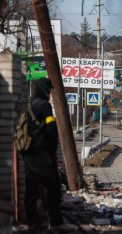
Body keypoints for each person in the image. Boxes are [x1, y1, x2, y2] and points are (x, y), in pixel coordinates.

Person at [21, 79, 65, 232]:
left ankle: (32, 222)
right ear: (45, 90)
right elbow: (51, 130)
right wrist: (53, 153)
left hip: (28, 155)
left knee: (31, 190)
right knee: (53, 190)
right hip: (43, 155)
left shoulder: (28, 106)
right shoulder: (45, 106)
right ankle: (56, 221)